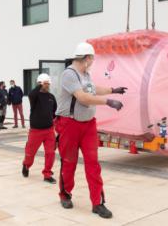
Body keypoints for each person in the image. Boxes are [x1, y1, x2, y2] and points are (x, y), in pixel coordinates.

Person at [56, 42, 127, 219]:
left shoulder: (86, 74)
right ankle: (65, 194)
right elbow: (83, 97)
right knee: (69, 162)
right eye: (92, 58)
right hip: (69, 124)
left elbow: (94, 89)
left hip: (88, 125)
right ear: (86, 58)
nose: (93, 61)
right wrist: (108, 102)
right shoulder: (69, 74)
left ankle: (98, 203)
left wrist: (113, 90)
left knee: (93, 164)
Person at [22, 74, 57, 184]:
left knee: (50, 153)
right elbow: (31, 94)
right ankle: (26, 165)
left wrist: (56, 128)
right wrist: (40, 85)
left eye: (48, 83)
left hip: (49, 130)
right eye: (45, 83)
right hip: (36, 131)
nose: (47, 85)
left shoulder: (51, 97)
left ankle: (47, 174)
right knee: (30, 153)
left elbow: (55, 113)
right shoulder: (34, 96)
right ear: (40, 84)